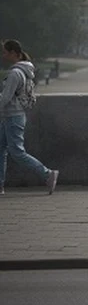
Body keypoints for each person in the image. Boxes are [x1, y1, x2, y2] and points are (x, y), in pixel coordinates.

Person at [0, 39, 59, 195]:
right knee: (1, 150)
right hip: (11, 117)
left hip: (13, 117)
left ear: (14, 53)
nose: (3, 56)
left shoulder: (15, 73)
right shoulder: (24, 71)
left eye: (5, 52)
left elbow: (5, 98)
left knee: (17, 153)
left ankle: (47, 173)